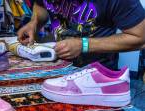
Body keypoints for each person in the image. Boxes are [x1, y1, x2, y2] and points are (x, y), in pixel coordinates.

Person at [17, 0, 145, 68]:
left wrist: (84, 45)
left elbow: (140, 37)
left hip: (97, 75)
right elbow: (41, 5)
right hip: (58, 68)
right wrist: (34, 23)